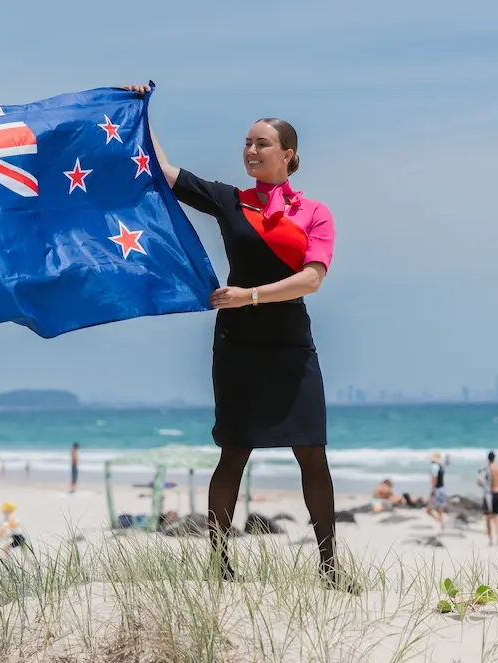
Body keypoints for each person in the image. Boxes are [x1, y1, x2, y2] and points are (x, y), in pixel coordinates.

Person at [122, 83, 348, 590]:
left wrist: (248, 295)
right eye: (246, 143)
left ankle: (331, 570)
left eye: (261, 144)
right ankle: (221, 568)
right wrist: (138, 109)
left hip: (290, 342)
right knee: (235, 451)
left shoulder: (314, 213)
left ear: (287, 155)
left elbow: (312, 278)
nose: (250, 151)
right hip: (238, 345)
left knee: (312, 451)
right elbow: (163, 168)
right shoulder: (230, 200)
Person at [478, 450, 498, 546]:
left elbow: (479, 482)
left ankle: (491, 540)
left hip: (489, 495)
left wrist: (483, 486)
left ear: (488, 458)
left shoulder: (486, 468)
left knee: (488, 518)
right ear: (494, 458)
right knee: (497, 517)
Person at [425, 453, 447, 531]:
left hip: (437, 489)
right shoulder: (440, 466)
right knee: (439, 509)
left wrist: (432, 490)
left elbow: (434, 479)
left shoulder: (434, 466)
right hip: (442, 489)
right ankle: (442, 525)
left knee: (428, 510)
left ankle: (441, 523)